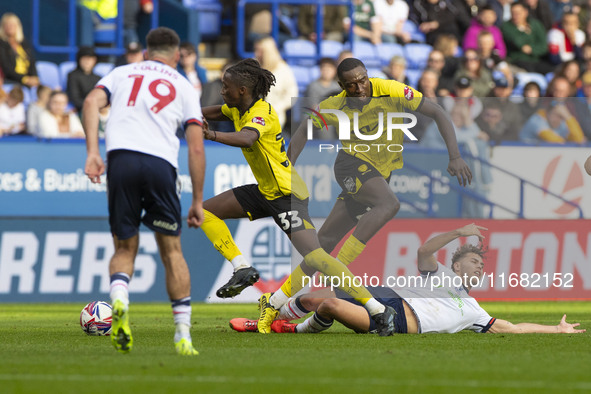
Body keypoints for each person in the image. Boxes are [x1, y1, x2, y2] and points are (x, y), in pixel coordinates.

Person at [199, 58, 397, 336]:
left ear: (243, 90)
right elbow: (206, 112)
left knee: (316, 257)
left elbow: (247, 139)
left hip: (286, 194)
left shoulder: (262, 113)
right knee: (203, 212)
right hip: (264, 191)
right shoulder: (236, 108)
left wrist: (211, 134)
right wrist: (184, 114)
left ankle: (376, 308)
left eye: (225, 86)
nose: (222, 90)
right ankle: (242, 268)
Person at [279, 57, 472, 331]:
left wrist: (454, 156)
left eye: (362, 80)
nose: (359, 88)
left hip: (377, 174)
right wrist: (285, 170)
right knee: (389, 204)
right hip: (351, 166)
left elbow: (438, 111)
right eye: (351, 85)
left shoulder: (391, 90)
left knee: (324, 241)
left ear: (367, 75)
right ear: (341, 86)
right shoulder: (334, 105)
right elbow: (302, 133)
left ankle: (280, 303)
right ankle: (339, 272)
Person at [82, 27, 205, 356]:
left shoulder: (121, 72)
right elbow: (195, 149)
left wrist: (93, 151)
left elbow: (91, 101)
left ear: (147, 52)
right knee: (172, 252)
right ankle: (182, 336)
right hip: (160, 165)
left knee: (124, 247)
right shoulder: (183, 85)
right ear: (177, 56)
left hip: (120, 159)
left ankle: (119, 299)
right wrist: (196, 200)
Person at [230, 224, 586, 336]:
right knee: (312, 296)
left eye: (481, 265)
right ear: (458, 264)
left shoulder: (475, 309)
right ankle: (267, 319)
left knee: (329, 305)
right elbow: (424, 251)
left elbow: (508, 327)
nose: (479, 268)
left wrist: (555, 330)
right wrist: (458, 232)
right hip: (388, 296)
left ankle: (292, 330)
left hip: (401, 321)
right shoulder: (442, 274)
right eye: (473, 261)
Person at [254, 37, 298, 130]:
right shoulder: (253, 67)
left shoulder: (283, 70)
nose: (256, 54)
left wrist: (276, 108)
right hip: (252, 116)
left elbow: (292, 94)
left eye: (259, 51)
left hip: (274, 118)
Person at [0, 13, 39, 88]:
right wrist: (24, 79)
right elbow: (6, 68)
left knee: (46, 91)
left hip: (27, 80)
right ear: (3, 27)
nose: (10, 27)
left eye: (13, 25)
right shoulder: (1, 44)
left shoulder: (24, 43)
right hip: (11, 80)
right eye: (7, 25)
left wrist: (35, 77)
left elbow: (32, 62)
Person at [519, 102, 585, 144]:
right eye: (554, 115)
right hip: (522, 154)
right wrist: (567, 142)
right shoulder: (537, 119)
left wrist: (568, 117)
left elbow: (579, 139)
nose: (556, 119)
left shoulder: (561, 122)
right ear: (547, 113)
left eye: (560, 116)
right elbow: (554, 141)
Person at [67, 46, 101, 112]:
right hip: (81, 110)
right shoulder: (72, 76)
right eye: (84, 59)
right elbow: (74, 98)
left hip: (97, 109)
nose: (87, 62)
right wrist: (92, 106)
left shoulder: (98, 78)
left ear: (95, 60)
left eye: (90, 59)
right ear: (79, 60)